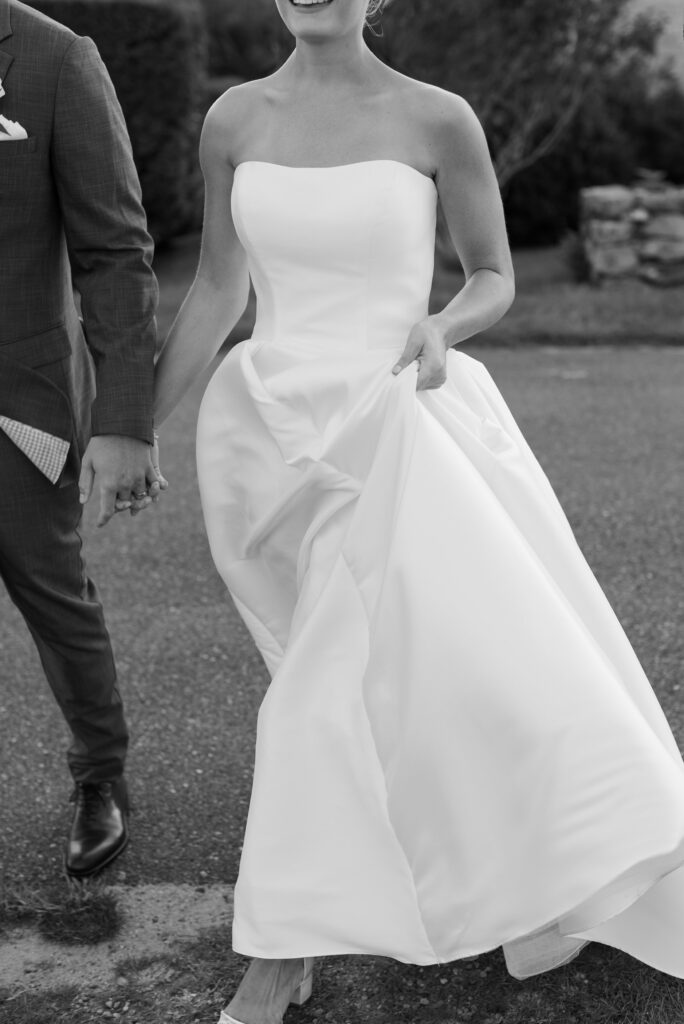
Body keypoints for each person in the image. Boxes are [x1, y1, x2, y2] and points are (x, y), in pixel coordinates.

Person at [153, 0, 684, 1020]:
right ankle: (505, 864)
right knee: (383, 684)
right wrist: (135, 429)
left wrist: (444, 326)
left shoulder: (436, 117)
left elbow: (494, 274)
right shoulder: (233, 122)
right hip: (273, 437)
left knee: (330, 684)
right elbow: (219, 288)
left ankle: (284, 948)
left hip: (399, 419)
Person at [0, 0, 164, 879]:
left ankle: (100, 777)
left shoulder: (56, 60)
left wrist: (123, 420)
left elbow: (115, 251)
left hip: (14, 403)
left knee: (57, 599)